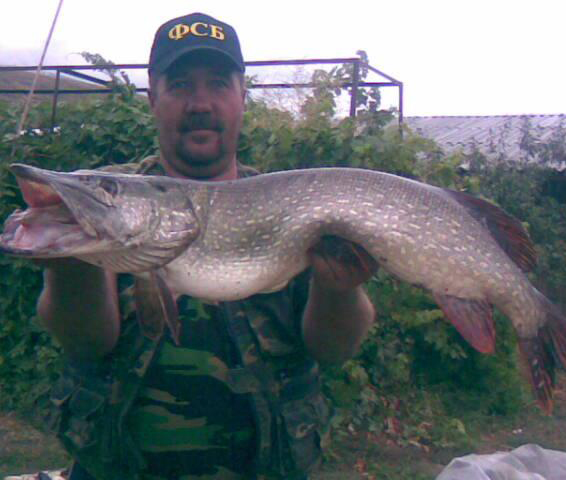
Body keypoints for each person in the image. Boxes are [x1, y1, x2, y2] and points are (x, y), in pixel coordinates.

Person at [37, 12, 377, 480]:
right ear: (153, 97)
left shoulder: (293, 205)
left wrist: (341, 288)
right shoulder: (114, 199)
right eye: (180, 85)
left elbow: (333, 349)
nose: (200, 103)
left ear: (242, 97)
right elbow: (86, 342)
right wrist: (70, 258)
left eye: (218, 84)